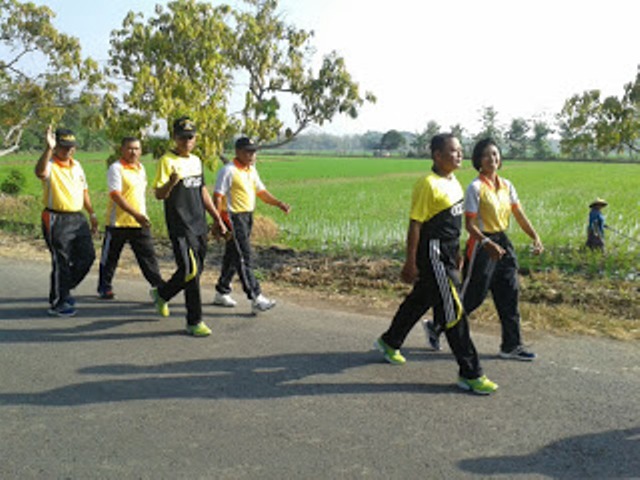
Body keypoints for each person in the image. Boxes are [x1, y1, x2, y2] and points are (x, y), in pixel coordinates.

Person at [374, 133, 498, 395]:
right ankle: (470, 372)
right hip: (433, 254)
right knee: (454, 312)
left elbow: (453, 224)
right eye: (453, 151)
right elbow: (415, 225)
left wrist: (458, 252)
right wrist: (410, 261)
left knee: (421, 299)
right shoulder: (427, 184)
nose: (459, 154)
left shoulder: (454, 182)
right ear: (437, 155)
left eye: (460, 150)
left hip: (448, 253)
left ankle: (390, 341)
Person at [423, 138, 543, 361]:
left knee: (509, 292)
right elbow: (469, 225)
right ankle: (437, 325)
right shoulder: (475, 188)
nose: (492, 159)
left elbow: (519, 214)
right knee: (473, 296)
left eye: (495, 154)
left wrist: (535, 236)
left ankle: (511, 345)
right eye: (486, 155)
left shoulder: (507, 185)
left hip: (503, 242)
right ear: (478, 160)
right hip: (482, 245)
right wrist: (487, 243)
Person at [151, 116, 227, 337]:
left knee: (195, 271)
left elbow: (202, 191)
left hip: (199, 224)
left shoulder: (196, 160)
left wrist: (217, 218)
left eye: (190, 137)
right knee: (190, 271)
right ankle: (194, 321)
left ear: (195, 139)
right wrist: (171, 182)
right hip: (180, 226)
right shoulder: (166, 161)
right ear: (174, 137)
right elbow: (159, 194)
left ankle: (163, 294)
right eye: (182, 137)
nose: (187, 142)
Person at [212, 137, 291, 314]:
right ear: (238, 152)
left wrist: (279, 203)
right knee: (244, 256)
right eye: (248, 151)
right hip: (232, 217)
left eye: (253, 151)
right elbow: (217, 196)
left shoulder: (252, 170)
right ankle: (256, 297)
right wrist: (217, 222)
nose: (252, 155)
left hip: (247, 217)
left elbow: (261, 192)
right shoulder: (228, 171)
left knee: (233, 254)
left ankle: (222, 291)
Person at [35, 126, 98, 317]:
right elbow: (40, 173)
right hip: (56, 218)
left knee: (87, 257)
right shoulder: (50, 164)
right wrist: (48, 148)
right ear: (56, 147)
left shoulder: (77, 165)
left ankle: (63, 289)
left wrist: (92, 214)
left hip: (77, 218)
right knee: (61, 260)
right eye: (64, 146)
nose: (68, 150)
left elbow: (84, 190)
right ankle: (58, 302)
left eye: (71, 146)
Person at [97, 137, 164, 300]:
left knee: (148, 257)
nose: (133, 152)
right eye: (130, 148)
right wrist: (136, 214)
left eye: (136, 149)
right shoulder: (116, 168)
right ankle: (105, 287)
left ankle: (160, 287)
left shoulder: (141, 169)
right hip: (118, 222)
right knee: (110, 257)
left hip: (139, 222)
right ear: (122, 150)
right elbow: (116, 195)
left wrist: (141, 216)